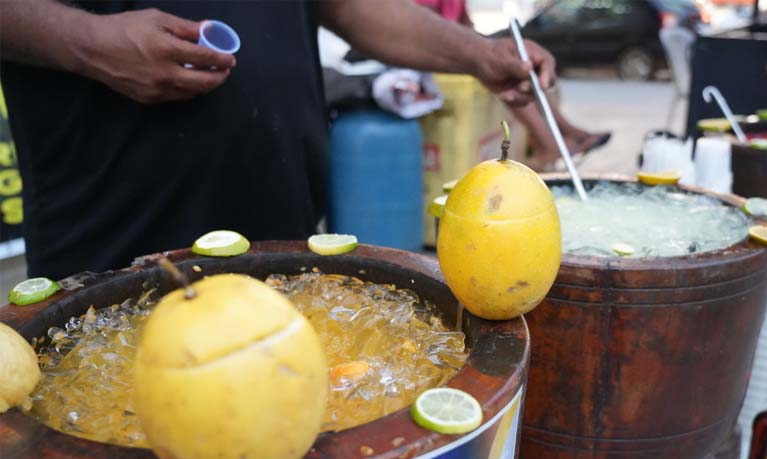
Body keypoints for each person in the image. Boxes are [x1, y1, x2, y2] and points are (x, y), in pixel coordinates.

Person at [0, 0, 556, 279]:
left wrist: (478, 53)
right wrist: (88, 40)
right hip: (108, 234)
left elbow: (346, 4)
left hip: (282, 231)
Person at [415, 0, 611, 169]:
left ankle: (570, 133)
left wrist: (483, 47)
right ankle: (548, 144)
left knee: (525, 73)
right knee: (507, 77)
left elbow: (467, 26)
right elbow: (423, 28)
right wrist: (478, 52)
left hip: (461, 53)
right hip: (434, 60)